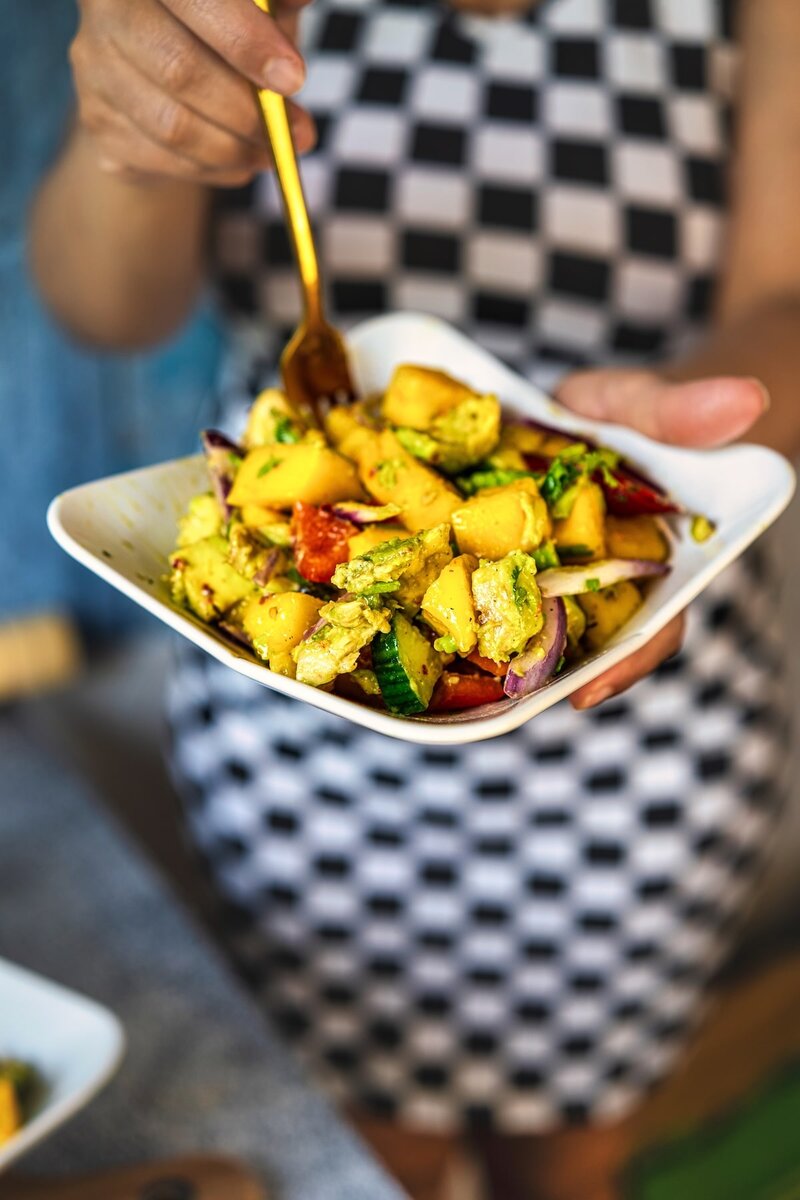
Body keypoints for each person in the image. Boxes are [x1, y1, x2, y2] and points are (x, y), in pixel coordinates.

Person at [29, 1, 800, 1196]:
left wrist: (656, 457)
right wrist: (130, 136)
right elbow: (100, 308)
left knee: (572, 1159)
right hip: (299, 755)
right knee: (366, 1163)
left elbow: (784, 297)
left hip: (650, 731)